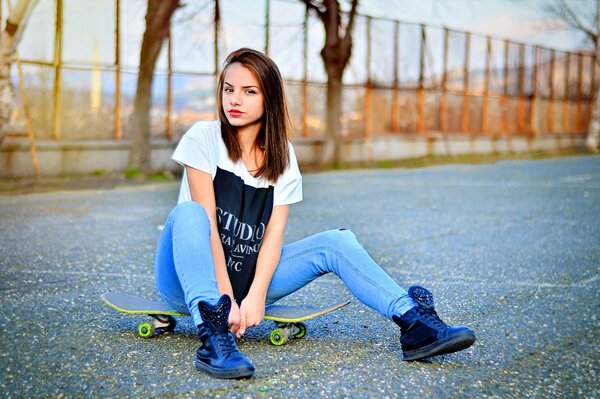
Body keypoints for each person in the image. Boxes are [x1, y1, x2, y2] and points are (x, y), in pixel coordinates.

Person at [154, 48, 476, 379]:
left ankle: (414, 323)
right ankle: (213, 338)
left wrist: (256, 296)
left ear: (270, 99)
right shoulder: (203, 138)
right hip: (190, 279)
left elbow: (273, 237)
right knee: (190, 213)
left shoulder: (282, 157)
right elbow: (207, 231)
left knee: (337, 242)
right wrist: (225, 300)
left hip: (247, 278)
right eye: (229, 89)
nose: (235, 99)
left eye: (249, 91)